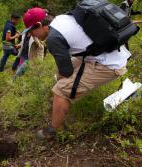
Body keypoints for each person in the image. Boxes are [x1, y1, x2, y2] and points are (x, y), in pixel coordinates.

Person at [22, 8, 131, 139]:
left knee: (61, 91)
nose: (33, 36)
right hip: (107, 52)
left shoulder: (53, 38)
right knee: (59, 79)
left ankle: (52, 131)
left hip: (108, 64)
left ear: (39, 25)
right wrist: (61, 77)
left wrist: (62, 84)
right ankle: (59, 106)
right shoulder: (61, 18)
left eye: (32, 31)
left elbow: (66, 71)